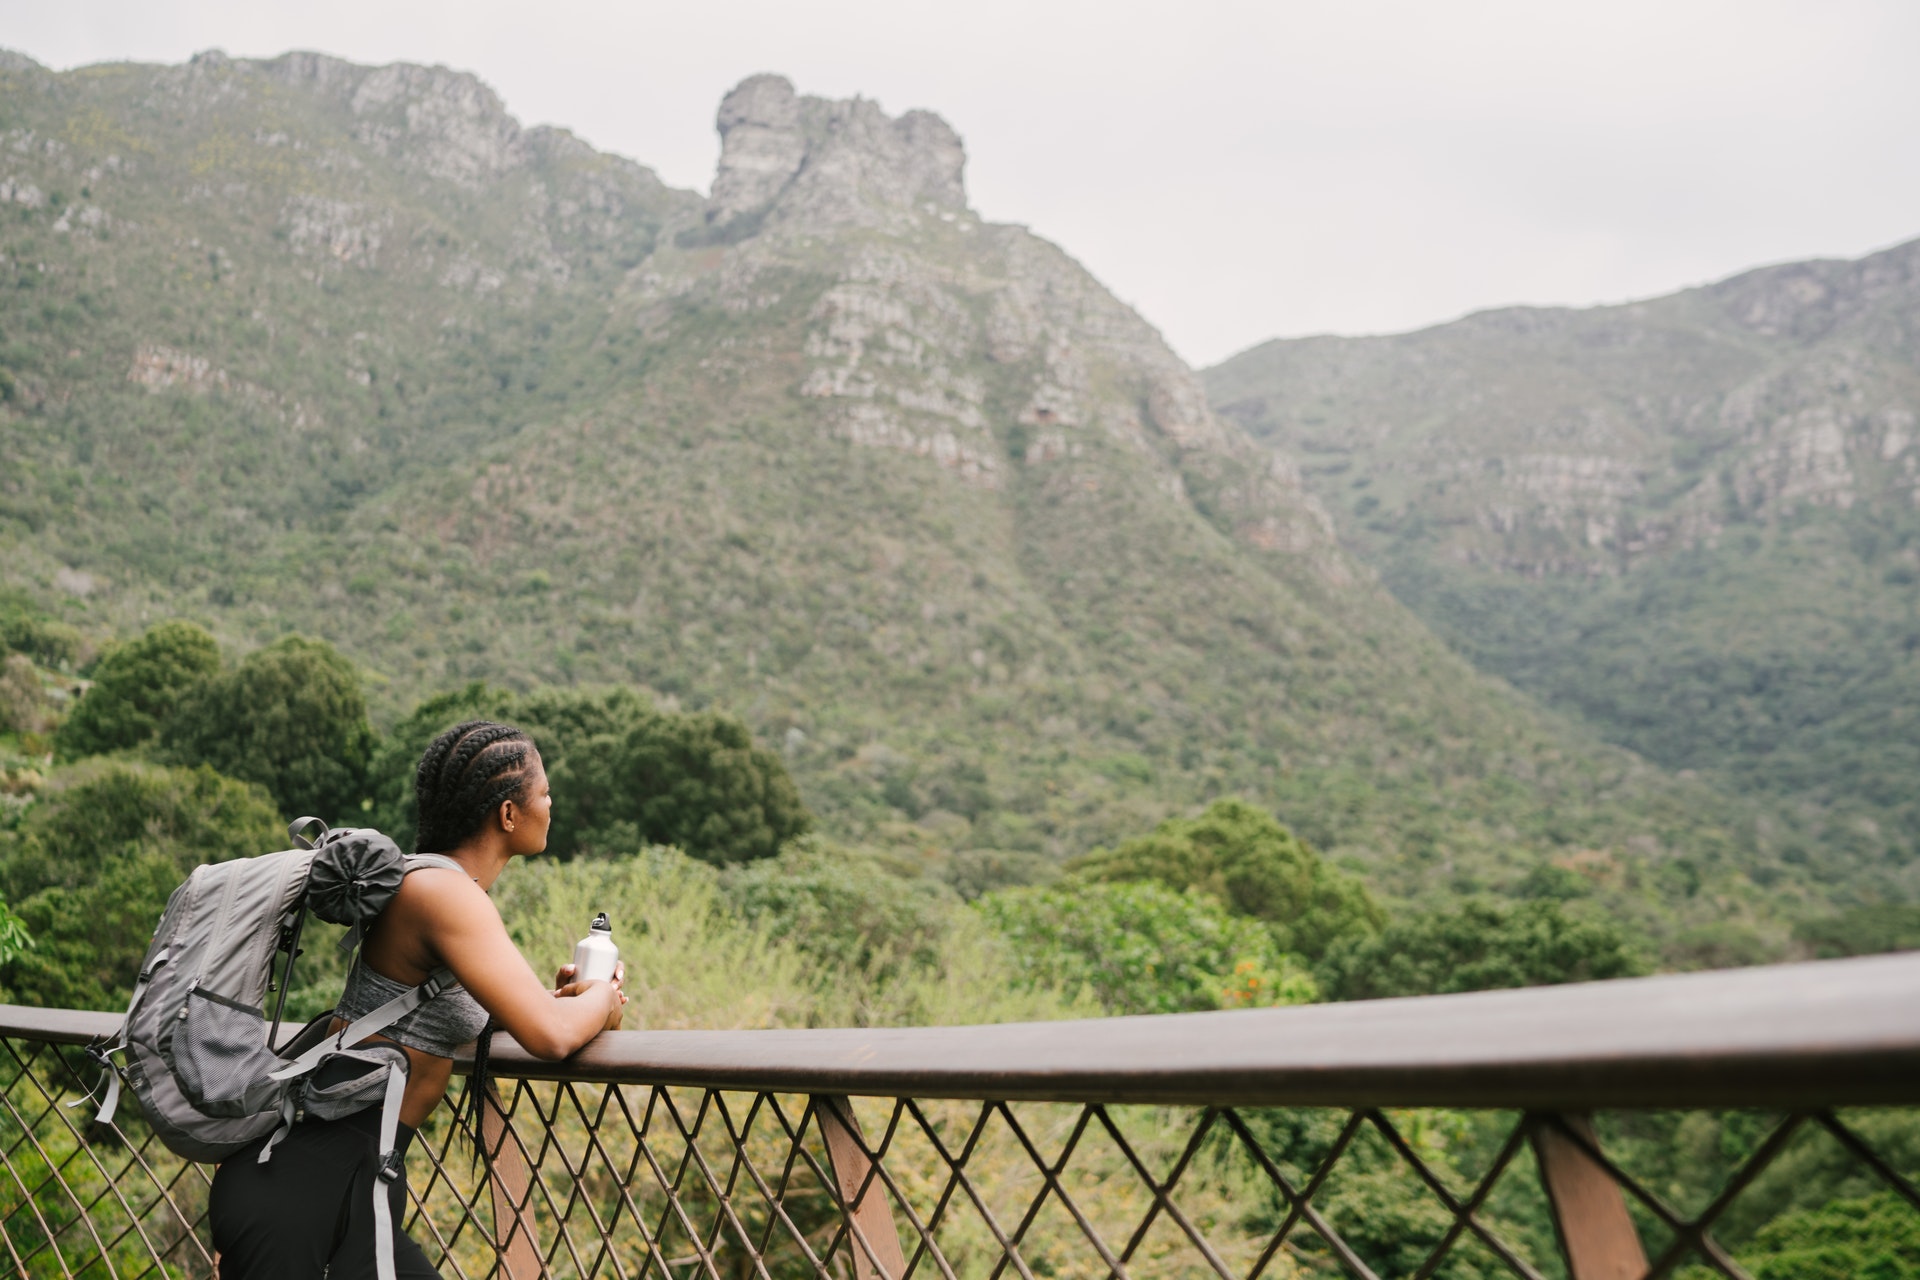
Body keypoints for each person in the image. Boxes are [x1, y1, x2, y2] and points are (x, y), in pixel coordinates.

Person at [209, 720, 627, 1278]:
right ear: (508, 814)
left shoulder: (437, 887)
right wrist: (603, 995)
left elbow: (522, 1017)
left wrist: (570, 1002)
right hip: (309, 1187)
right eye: (545, 792)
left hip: (350, 1186)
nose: (552, 804)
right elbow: (549, 1035)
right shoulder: (443, 894)